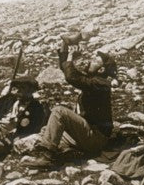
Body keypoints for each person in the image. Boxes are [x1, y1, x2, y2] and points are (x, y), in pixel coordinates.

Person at [23, 40, 117, 169]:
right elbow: (67, 70)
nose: (90, 61)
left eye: (95, 61)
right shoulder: (94, 80)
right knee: (47, 130)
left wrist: (71, 58)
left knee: (59, 112)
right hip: (87, 133)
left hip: (96, 138)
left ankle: (47, 158)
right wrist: (64, 46)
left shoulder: (101, 84)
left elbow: (72, 77)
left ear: (101, 69)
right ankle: (64, 151)